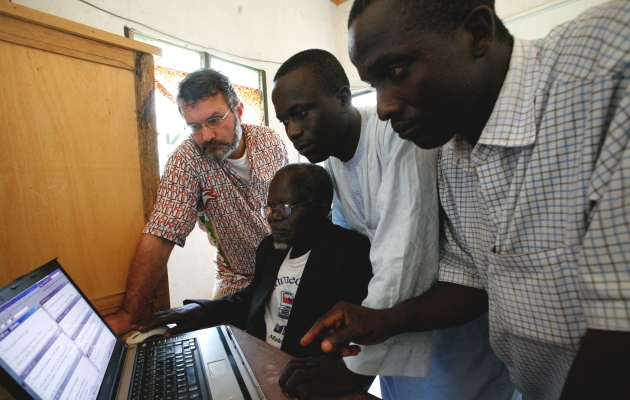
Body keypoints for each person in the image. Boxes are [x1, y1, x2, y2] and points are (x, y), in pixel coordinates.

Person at [302, 1, 630, 399]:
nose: (384, 107)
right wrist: (384, 319)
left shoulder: (606, 59)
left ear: (477, 33)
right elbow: (472, 279)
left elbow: (619, 323)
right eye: (375, 85)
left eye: (396, 72)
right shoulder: (454, 151)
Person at [272, 49, 514, 399]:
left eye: (301, 112)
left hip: (446, 329)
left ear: (342, 98)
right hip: (384, 325)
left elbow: (401, 257)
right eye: (284, 120)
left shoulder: (396, 135)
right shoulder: (334, 165)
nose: (293, 131)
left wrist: (355, 367)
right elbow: (355, 256)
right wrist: (339, 344)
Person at [134, 163, 375, 397]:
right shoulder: (270, 249)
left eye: (286, 207)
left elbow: (363, 332)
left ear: (322, 207)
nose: (273, 217)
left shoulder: (350, 253)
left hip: (302, 376)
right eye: (270, 207)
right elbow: (251, 299)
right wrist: (199, 310)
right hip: (258, 359)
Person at [106, 68, 288, 335]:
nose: (206, 136)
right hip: (237, 280)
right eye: (194, 126)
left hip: (287, 268)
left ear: (238, 111)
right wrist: (128, 313)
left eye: (214, 120)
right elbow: (161, 232)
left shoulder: (269, 140)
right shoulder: (186, 160)